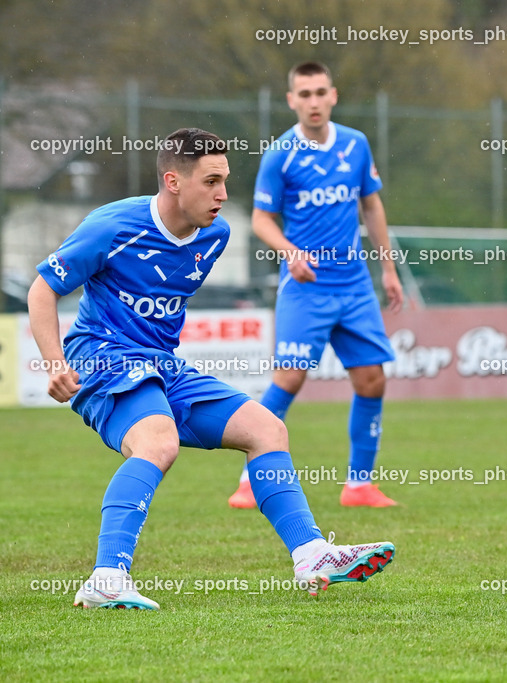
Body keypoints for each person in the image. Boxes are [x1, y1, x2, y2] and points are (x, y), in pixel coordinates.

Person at [27, 128, 394, 609]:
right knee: (158, 441)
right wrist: (55, 363)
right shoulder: (111, 226)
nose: (223, 194)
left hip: (161, 365)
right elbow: (42, 290)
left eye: (225, 180)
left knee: (268, 429)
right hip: (102, 356)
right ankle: (106, 577)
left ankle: (311, 554)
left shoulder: (214, 235)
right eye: (211, 181)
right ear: (174, 181)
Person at [229, 61, 403, 510]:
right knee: (289, 378)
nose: (312, 101)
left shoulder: (356, 144)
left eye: (319, 92)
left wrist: (388, 269)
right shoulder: (279, 155)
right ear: (292, 100)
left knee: (371, 380)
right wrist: (289, 251)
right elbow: (260, 219)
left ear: (333, 96)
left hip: (354, 285)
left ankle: (359, 485)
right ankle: (251, 479)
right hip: (304, 287)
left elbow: (373, 206)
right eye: (303, 94)